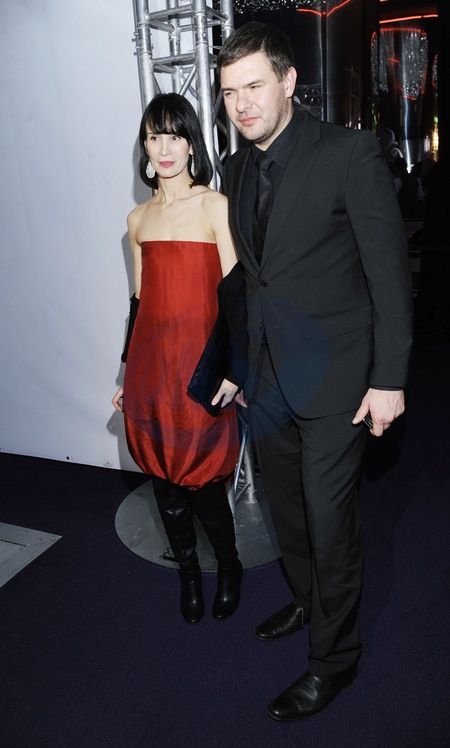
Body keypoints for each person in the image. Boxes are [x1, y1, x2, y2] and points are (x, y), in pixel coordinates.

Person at [217, 22, 414, 720]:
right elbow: (250, 280)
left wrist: (389, 378)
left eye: (254, 86)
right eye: (230, 93)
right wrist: (240, 364)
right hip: (269, 377)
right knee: (289, 513)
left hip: (339, 377)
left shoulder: (349, 153)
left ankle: (335, 660)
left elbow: (389, 276)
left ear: (289, 81)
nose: (242, 104)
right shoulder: (235, 168)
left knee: (331, 522)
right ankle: (307, 599)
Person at [112, 93, 243, 625]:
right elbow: (139, 302)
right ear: (144, 148)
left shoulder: (215, 207)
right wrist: (126, 373)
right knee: (164, 480)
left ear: (192, 144)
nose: (164, 148)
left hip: (202, 369)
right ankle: (188, 573)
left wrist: (234, 370)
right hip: (152, 369)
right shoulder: (137, 219)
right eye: (154, 137)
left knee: (204, 478)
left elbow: (237, 297)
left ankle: (229, 566)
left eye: (174, 135)